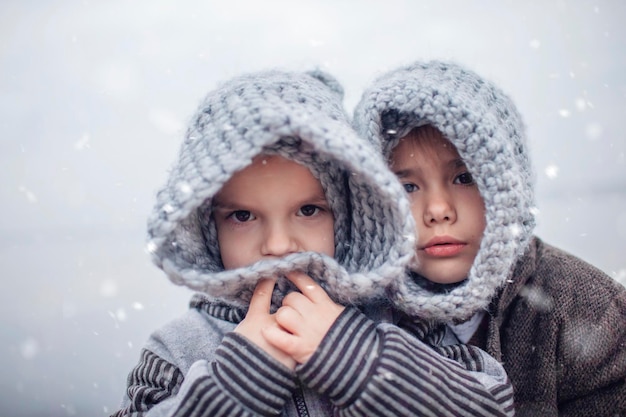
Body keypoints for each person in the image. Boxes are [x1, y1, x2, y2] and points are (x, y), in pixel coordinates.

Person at [111, 68, 515, 417]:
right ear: (206, 227)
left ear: (347, 213)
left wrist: (356, 357)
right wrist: (236, 382)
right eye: (242, 216)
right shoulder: (180, 348)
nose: (279, 244)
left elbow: (492, 404)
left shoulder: (398, 318)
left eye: (308, 210)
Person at [353, 59, 626, 416]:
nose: (438, 209)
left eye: (464, 178)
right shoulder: (352, 311)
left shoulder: (588, 310)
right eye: (406, 186)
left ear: (508, 185)